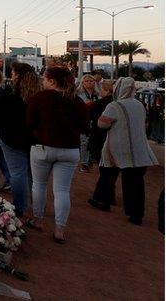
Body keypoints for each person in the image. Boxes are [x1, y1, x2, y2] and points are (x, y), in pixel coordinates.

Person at [26, 67, 89, 243]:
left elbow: (29, 123)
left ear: (52, 81)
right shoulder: (76, 101)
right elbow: (85, 127)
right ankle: (59, 230)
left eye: (45, 79)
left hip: (42, 147)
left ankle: (38, 220)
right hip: (69, 150)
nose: (43, 81)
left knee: (39, 185)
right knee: (62, 190)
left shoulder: (39, 98)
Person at [89, 77, 159, 225]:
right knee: (135, 182)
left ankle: (103, 200)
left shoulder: (114, 106)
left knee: (107, 173)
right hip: (139, 148)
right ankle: (136, 214)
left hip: (118, 147)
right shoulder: (140, 105)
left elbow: (102, 124)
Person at [0, 62, 39, 218]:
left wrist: (0, 133)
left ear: (18, 76)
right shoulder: (38, 97)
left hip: (11, 139)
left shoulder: (11, 96)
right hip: (34, 140)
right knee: (34, 175)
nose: (11, 76)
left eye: (13, 73)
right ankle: (37, 207)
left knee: (17, 173)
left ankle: (19, 206)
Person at [75, 74, 100, 171]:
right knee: (84, 142)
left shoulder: (98, 94)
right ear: (82, 83)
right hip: (83, 120)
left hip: (95, 121)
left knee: (93, 140)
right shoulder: (78, 93)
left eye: (91, 81)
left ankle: (90, 159)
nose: (89, 83)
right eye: (87, 81)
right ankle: (84, 163)